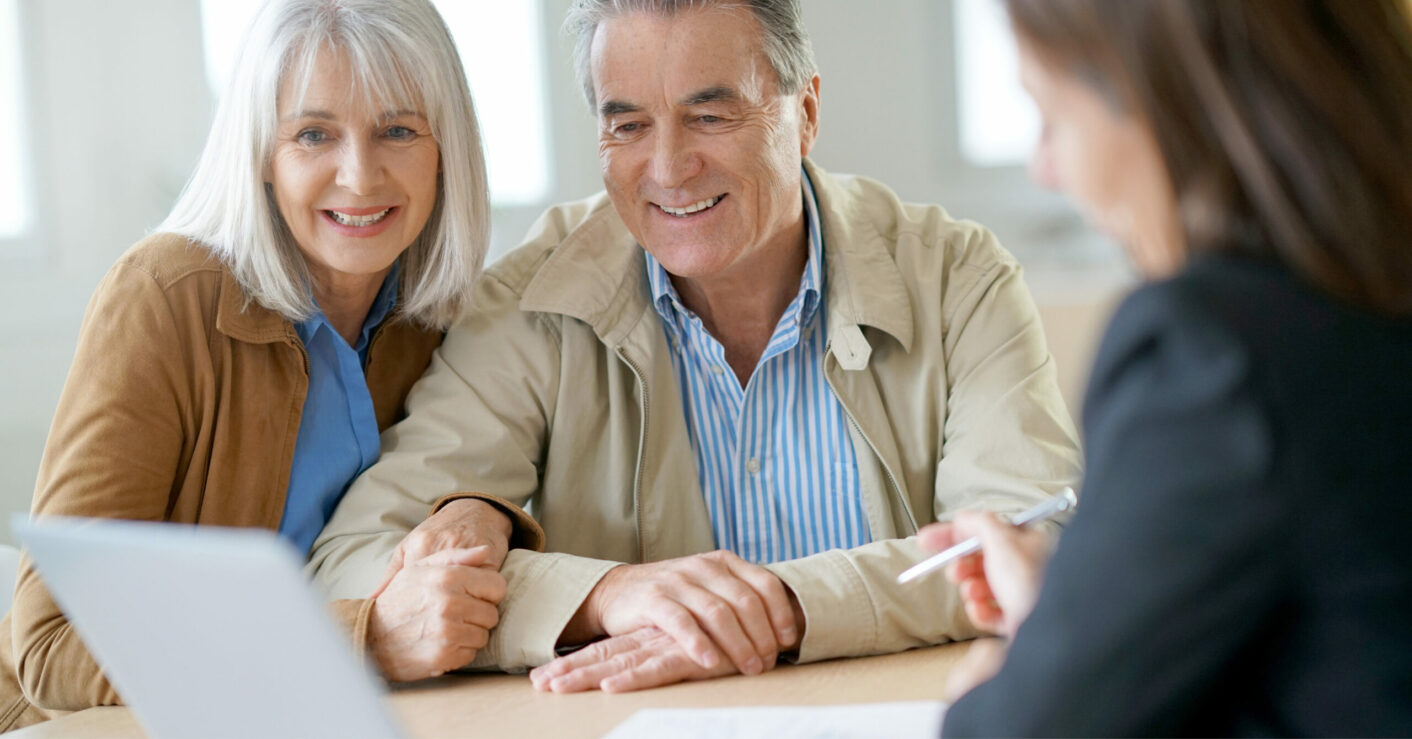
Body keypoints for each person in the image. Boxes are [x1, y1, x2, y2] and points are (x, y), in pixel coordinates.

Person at [310, 0, 1080, 694]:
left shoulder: (958, 277)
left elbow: (1029, 541)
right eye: (629, 124)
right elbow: (352, 563)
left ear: (805, 111)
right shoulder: (528, 302)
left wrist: (780, 607)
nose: (670, 168)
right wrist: (602, 595)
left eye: (710, 117)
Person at [0, 0, 543, 731]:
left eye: (398, 129)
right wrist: (367, 638)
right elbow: (51, 643)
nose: (359, 176)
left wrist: (479, 510)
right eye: (314, 133)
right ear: (261, 150)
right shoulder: (165, 298)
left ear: (446, 146)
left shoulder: (436, 318)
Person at [920, 0, 1412, 735]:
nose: (1044, 167)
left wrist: (1018, 679)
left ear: (1165, 102)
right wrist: (1090, 611)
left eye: (1051, 116)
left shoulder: (1211, 354)